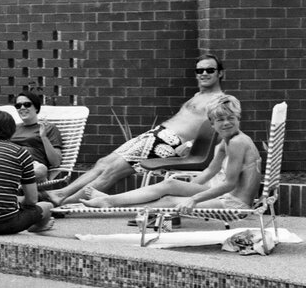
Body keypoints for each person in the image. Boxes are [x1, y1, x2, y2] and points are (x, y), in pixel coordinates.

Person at [47, 54, 228, 206]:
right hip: (156, 135)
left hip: (170, 142)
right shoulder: (198, 95)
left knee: (114, 170)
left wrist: (189, 145)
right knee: (104, 162)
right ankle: (62, 193)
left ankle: (66, 204)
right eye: (199, 70)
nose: (204, 73)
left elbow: (222, 130)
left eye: (209, 70)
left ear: (220, 73)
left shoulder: (221, 100)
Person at [80, 94, 260, 211]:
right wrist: (187, 190)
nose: (226, 123)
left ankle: (111, 203)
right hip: (221, 193)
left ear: (238, 118)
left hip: (234, 203)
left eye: (231, 118)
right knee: (171, 185)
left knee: (171, 201)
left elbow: (229, 184)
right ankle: (111, 201)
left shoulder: (238, 142)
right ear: (212, 124)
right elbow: (208, 172)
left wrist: (194, 199)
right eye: (220, 119)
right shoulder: (225, 142)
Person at [10, 90, 63, 183]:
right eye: (18, 106)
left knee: (40, 171)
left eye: (27, 104)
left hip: (34, 166)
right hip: (11, 163)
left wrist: (43, 137)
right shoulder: (12, 128)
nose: (22, 108)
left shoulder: (48, 128)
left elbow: (56, 162)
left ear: (36, 108)